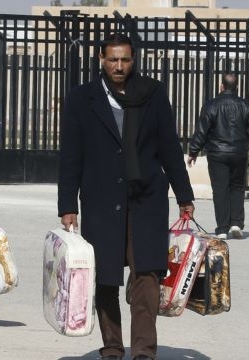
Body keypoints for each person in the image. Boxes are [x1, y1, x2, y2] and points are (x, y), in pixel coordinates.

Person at [57, 33, 195, 360]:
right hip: (102, 200)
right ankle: (112, 349)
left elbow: (169, 148)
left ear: (134, 60)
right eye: (113, 60)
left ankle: (144, 352)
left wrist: (184, 195)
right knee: (104, 279)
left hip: (146, 199)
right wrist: (68, 206)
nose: (119, 66)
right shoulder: (81, 98)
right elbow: (71, 155)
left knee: (147, 276)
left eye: (125, 60)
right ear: (101, 60)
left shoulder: (152, 94)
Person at [186, 73, 249, 239]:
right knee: (237, 187)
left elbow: (202, 131)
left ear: (221, 86)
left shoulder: (211, 105)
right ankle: (236, 223)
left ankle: (222, 228)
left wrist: (193, 151)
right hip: (239, 153)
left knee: (220, 189)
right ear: (237, 87)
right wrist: (243, 140)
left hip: (217, 152)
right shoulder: (246, 106)